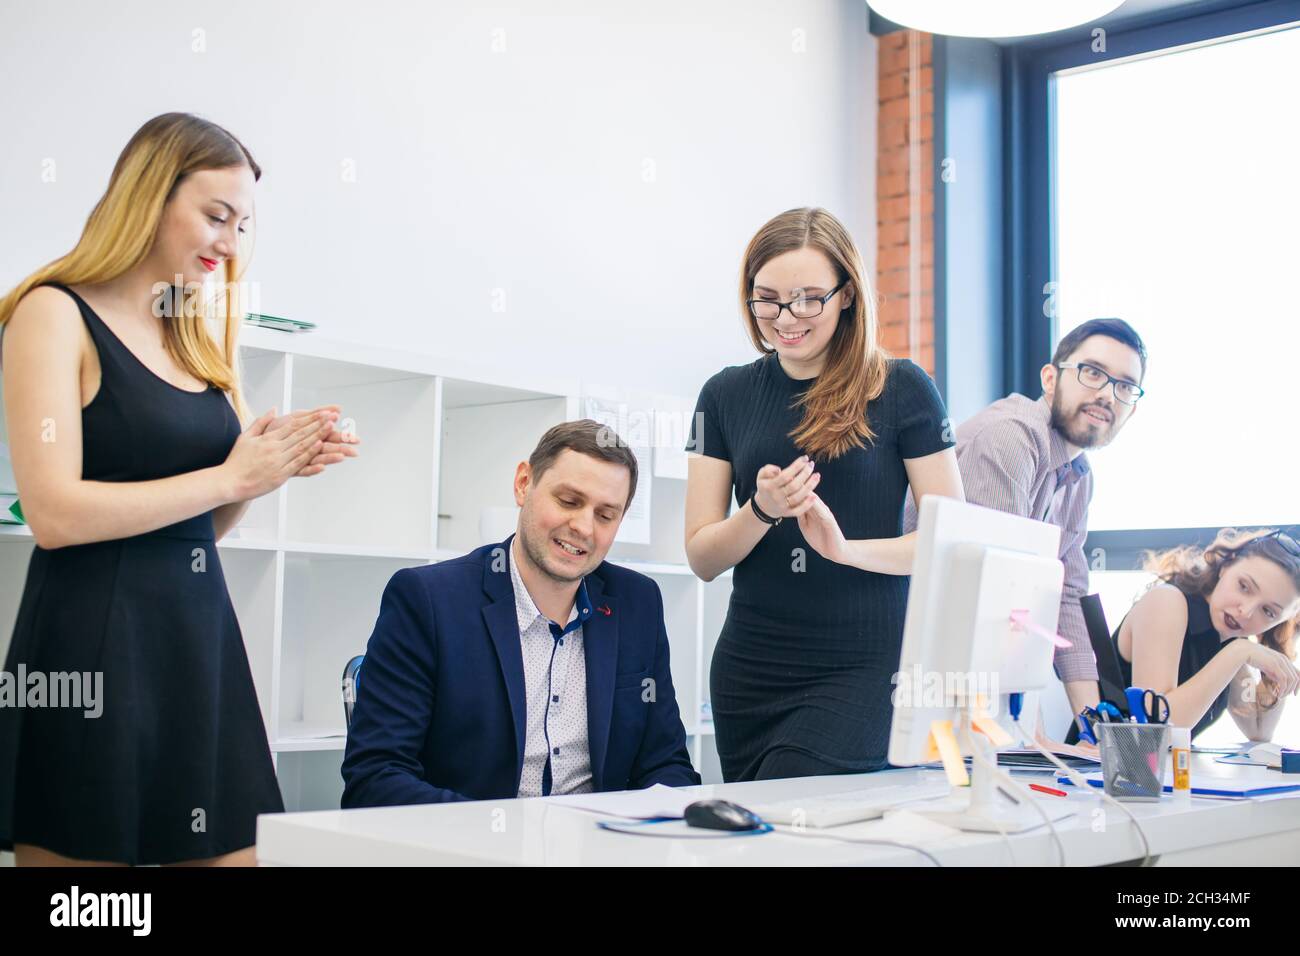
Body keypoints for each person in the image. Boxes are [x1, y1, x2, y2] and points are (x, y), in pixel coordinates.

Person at [0, 113, 358, 866]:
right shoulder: (53, 314)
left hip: (198, 645)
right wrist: (231, 472)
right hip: (91, 649)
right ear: (147, 197)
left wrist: (270, 465)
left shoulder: (194, 333)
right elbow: (53, 513)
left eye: (243, 224)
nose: (230, 243)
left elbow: (202, 528)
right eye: (216, 215)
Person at [683, 207, 963, 782]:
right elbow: (702, 557)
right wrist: (761, 511)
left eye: (810, 297)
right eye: (768, 298)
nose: (787, 317)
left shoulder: (902, 387)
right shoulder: (723, 394)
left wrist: (846, 550)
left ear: (847, 296)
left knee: (803, 818)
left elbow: (947, 541)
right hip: (750, 670)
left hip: (863, 667)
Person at [341, 419, 699, 805]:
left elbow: (666, 764)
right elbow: (375, 778)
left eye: (605, 515)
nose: (583, 527)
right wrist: (507, 837)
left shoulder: (637, 602)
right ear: (523, 483)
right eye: (569, 501)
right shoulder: (427, 600)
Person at [905, 317, 1148, 718]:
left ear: (1130, 410)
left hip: (958, 677)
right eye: (1092, 373)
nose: (1107, 394)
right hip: (906, 662)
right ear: (1051, 379)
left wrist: (1096, 726)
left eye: (1124, 386)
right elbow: (991, 591)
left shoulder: (1079, 476)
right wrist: (1020, 728)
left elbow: (1068, 594)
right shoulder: (1012, 436)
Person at [1112, 528, 1300, 740]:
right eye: (1244, 586)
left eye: (1268, 612)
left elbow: (1259, 730)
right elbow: (1156, 731)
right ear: (1226, 566)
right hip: (1093, 769)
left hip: (1151, 772)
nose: (1246, 612)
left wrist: (1286, 643)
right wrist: (1239, 652)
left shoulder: (1229, 639)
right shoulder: (1167, 602)